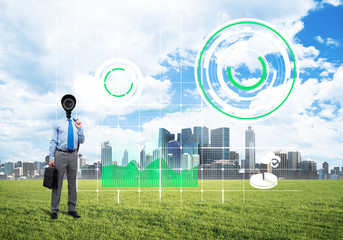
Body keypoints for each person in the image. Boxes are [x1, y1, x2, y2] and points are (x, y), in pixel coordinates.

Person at [48, 95, 85, 220]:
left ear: (73, 105)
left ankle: (72, 209)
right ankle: (54, 210)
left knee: (72, 183)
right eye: (67, 103)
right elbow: (53, 141)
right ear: (64, 104)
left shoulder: (76, 123)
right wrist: (51, 158)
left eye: (71, 103)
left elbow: (82, 140)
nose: (69, 105)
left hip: (73, 155)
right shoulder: (58, 123)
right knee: (57, 183)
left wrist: (80, 129)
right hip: (60, 154)